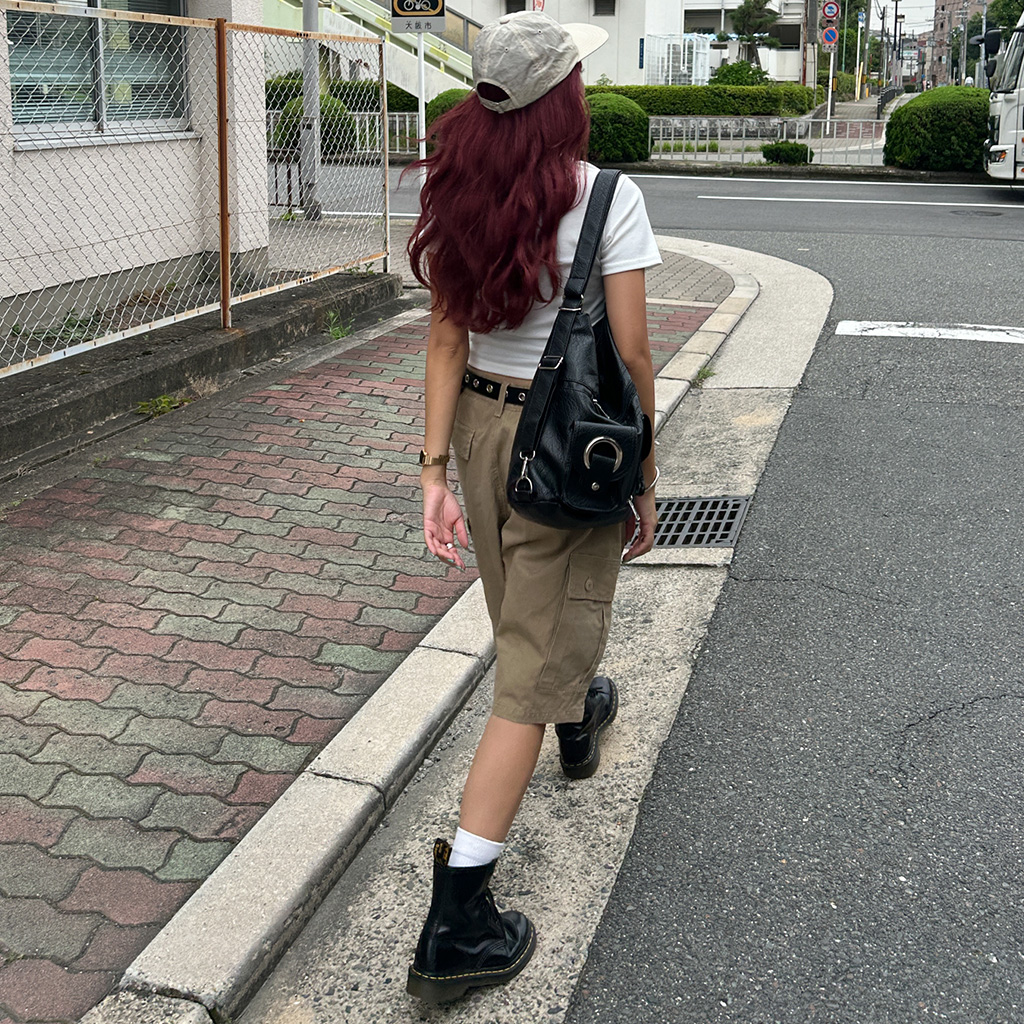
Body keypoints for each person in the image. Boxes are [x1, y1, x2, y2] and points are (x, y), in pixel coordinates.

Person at [404, 10, 662, 1004]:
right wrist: (644, 476)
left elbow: (443, 339)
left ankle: (577, 707)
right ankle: (458, 920)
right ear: (565, 99)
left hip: (479, 430)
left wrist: (433, 471)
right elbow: (631, 355)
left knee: (529, 617)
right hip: (566, 442)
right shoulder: (608, 198)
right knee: (526, 665)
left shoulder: (454, 185)